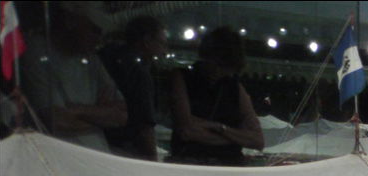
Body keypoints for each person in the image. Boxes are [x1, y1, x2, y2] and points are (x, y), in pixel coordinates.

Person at [19, 1, 127, 153]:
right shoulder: (36, 52)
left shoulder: (91, 59)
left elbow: (122, 115)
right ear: (70, 22)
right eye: (95, 30)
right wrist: (101, 115)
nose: (100, 39)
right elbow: (55, 121)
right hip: (59, 158)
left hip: (94, 156)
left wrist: (79, 111)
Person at [168, 27, 264, 165]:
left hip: (227, 168)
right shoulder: (182, 78)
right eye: (215, 62)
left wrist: (216, 127)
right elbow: (186, 130)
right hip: (192, 166)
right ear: (207, 55)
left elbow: (258, 140)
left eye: (224, 66)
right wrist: (234, 137)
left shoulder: (234, 88)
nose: (217, 70)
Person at [98, 14, 168, 160]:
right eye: (162, 43)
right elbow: (144, 126)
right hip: (125, 150)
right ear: (147, 41)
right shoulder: (138, 72)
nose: (164, 51)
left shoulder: (105, 57)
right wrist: (153, 161)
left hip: (100, 142)